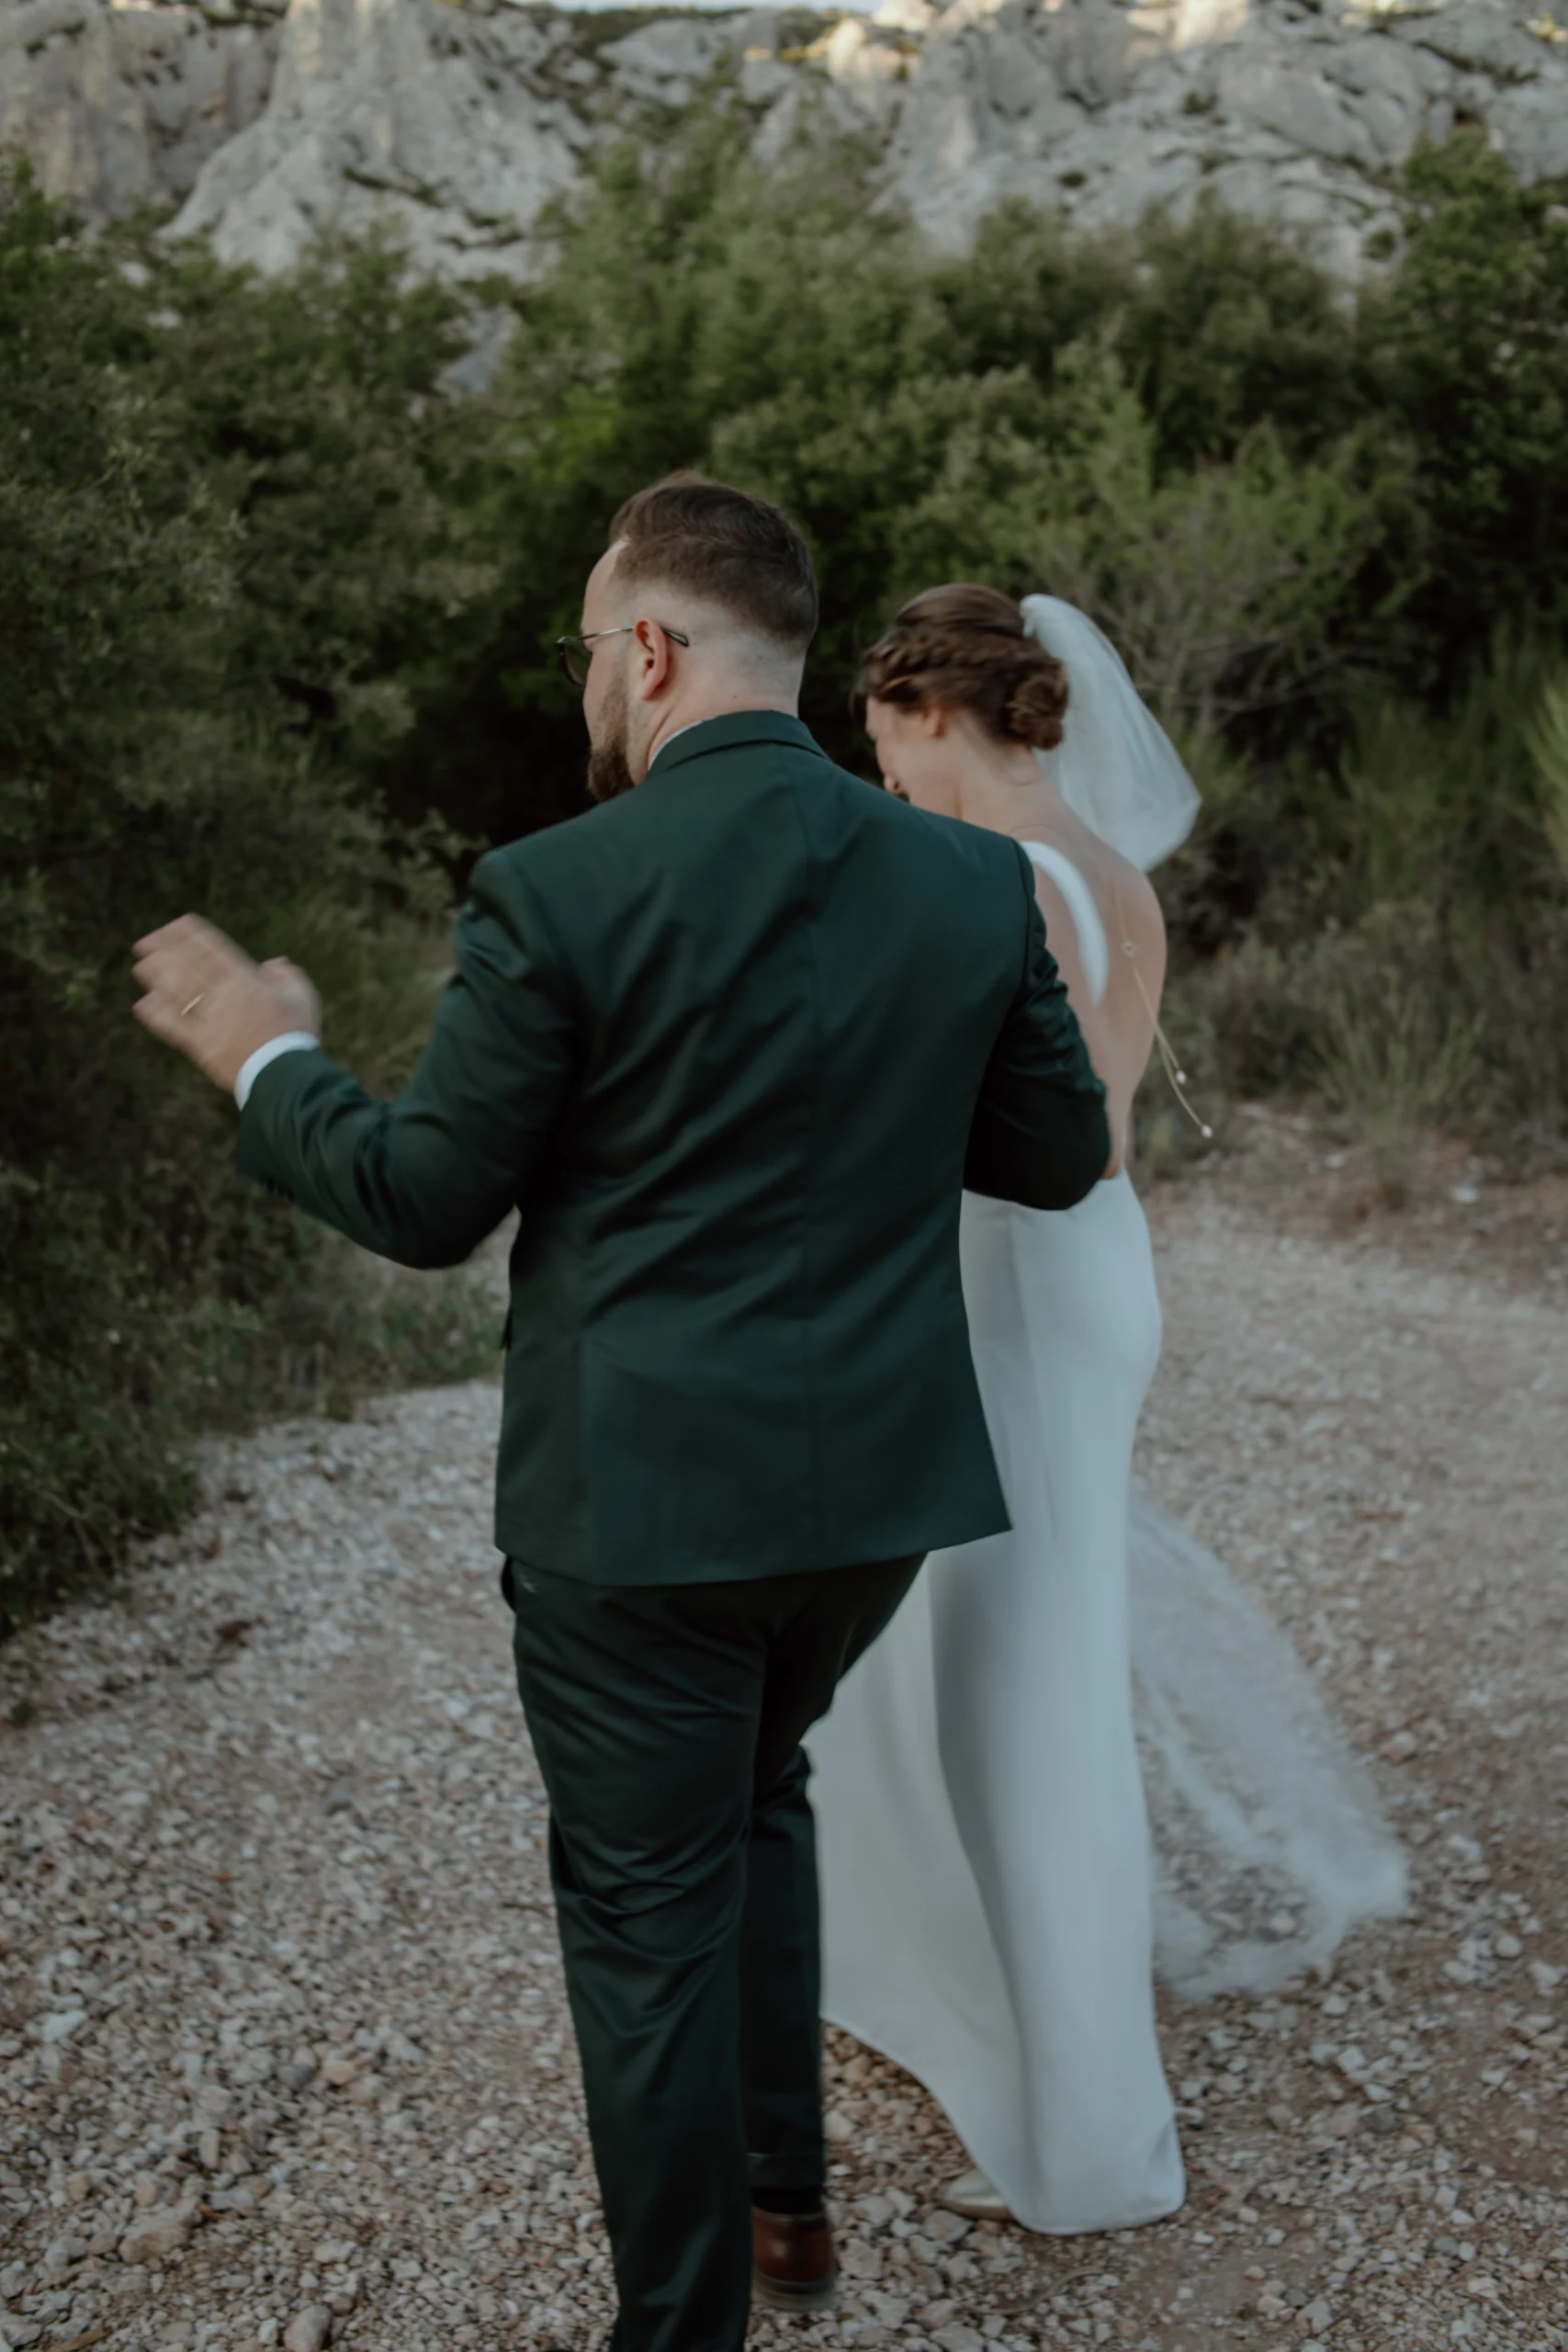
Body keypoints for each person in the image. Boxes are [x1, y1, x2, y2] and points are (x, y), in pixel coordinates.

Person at [130, 483, 1112, 2352]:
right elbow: (1054, 1156)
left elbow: (423, 1198)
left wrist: (263, 1047)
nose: (591, 677)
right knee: (758, 1798)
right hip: (870, 1508)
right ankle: (788, 2208)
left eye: (593, 645)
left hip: (640, 1522)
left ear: (649, 649)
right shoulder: (963, 879)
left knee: (646, 1916)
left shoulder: (554, 886)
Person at [807, 585, 1405, 2234]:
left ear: (929, 710)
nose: (884, 776)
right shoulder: (1107, 866)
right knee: (994, 1660)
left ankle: (1085, 2146)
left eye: (881, 740)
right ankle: (948, 1993)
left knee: (1024, 1705)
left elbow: (974, 1122)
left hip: (1011, 1286)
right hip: (1083, 1278)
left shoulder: (990, 873)